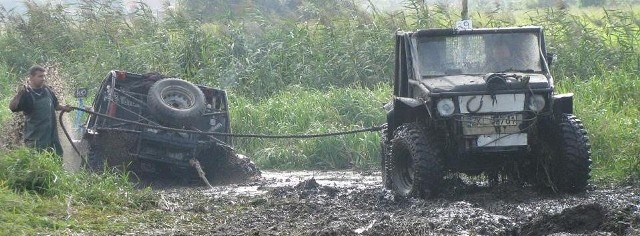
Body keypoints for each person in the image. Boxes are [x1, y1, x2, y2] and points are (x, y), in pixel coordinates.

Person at [9, 65, 71, 156]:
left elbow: (56, 105)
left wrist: (64, 107)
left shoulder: (47, 90)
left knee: (57, 159)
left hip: (52, 138)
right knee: (37, 165)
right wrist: (19, 94)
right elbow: (12, 107)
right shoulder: (26, 94)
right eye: (40, 76)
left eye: (44, 76)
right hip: (36, 141)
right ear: (31, 77)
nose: (43, 79)